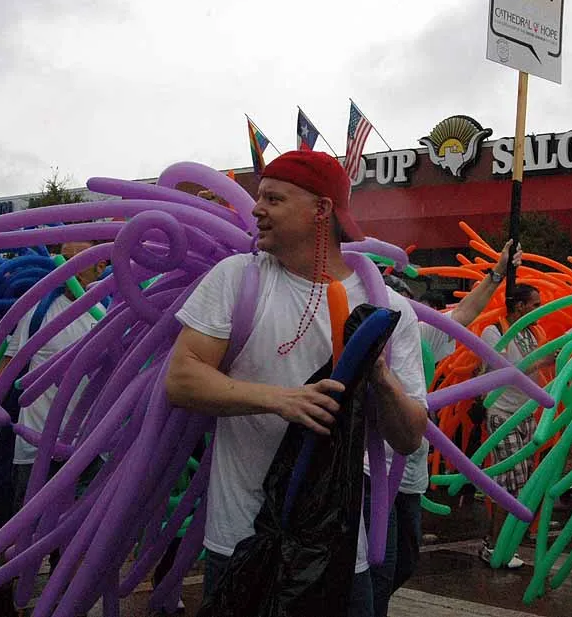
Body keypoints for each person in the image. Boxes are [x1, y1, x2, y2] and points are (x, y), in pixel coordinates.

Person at [165, 150, 428, 617]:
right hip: (241, 543)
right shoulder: (236, 279)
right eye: (259, 197)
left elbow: (409, 437)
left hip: (340, 554)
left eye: (274, 198)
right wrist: (282, 400)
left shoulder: (389, 309)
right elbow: (182, 379)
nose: (256, 209)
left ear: (321, 210)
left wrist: (381, 377)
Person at [371, 241, 520, 617]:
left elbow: (465, 313)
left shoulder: (418, 330)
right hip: (371, 469)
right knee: (379, 566)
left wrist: (497, 273)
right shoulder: (357, 330)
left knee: (404, 559)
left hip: (410, 469)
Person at [0, 240, 106, 617]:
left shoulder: (105, 310)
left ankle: (63, 602)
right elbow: (9, 366)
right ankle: (3, 594)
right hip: (35, 445)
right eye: (72, 259)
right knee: (22, 525)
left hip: (86, 447)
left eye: (89, 259)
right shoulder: (38, 312)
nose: (79, 266)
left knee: (73, 530)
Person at [478, 282, 547, 569]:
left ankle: (504, 544)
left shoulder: (531, 333)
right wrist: (542, 361)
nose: (539, 310)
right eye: (535, 305)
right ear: (519, 306)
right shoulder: (494, 332)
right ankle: (494, 545)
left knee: (522, 484)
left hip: (525, 414)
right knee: (509, 484)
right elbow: (505, 373)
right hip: (502, 414)